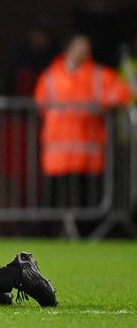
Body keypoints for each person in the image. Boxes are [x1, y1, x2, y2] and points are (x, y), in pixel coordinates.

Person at [34, 34, 132, 209]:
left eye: (85, 47)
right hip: (58, 151)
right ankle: (55, 230)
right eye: (78, 46)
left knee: (86, 198)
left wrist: (102, 103)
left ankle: (83, 231)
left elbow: (122, 93)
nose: (82, 51)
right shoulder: (50, 77)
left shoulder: (98, 75)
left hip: (87, 152)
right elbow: (40, 104)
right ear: (67, 49)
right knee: (56, 197)